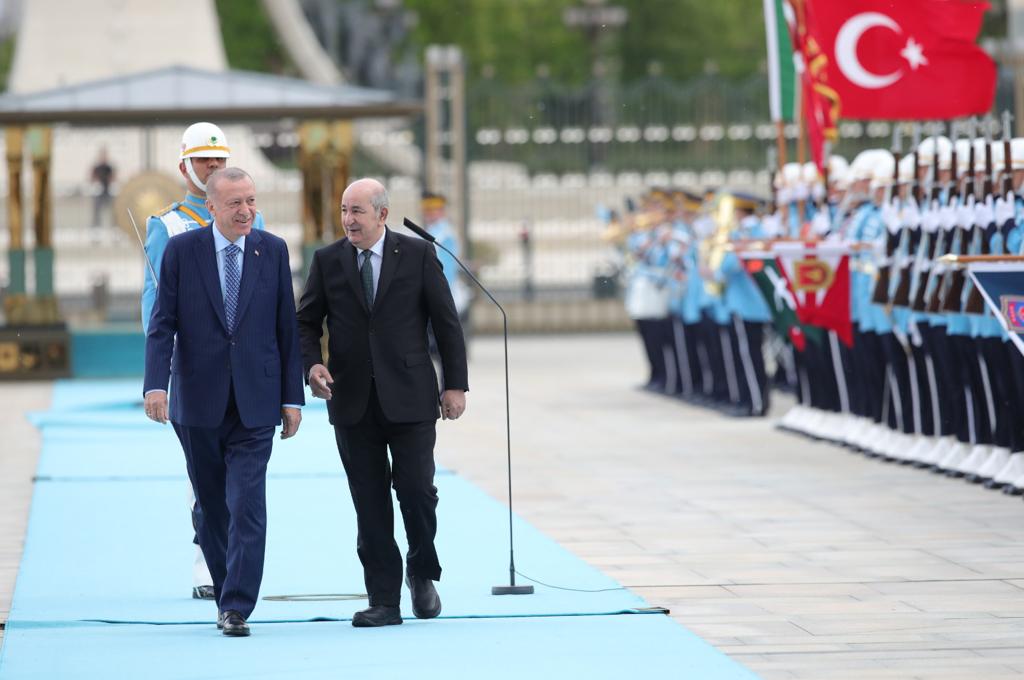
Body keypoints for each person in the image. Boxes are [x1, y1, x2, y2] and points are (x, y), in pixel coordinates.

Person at [297, 178, 468, 628]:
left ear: (382, 214)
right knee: (369, 502)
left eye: (357, 211)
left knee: (417, 491)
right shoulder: (328, 260)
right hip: (351, 401)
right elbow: (305, 322)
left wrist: (455, 385)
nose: (348, 220)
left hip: (411, 397)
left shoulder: (418, 254)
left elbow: (446, 323)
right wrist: (312, 365)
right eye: (344, 210)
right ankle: (384, 600)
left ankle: (421, 571)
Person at [143, 167, 304, 637]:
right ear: (210, 206)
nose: (246, 211)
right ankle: (223, 587)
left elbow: (286, 327)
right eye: (235, 203)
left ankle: (236, 605)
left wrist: (291, 397)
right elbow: (163, 322)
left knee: (247, 503)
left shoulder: (272, 250)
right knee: (211, 508)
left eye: (251, 200)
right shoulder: (181, 251)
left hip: (257, 401)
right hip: (197, 400)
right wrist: (156, 385)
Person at [141, 122, 265, 601]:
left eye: (219, 159)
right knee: (204, 476)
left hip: (244, 367)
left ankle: (234, 570)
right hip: (193, 365)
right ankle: (206, 565)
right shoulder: (167, 225)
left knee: (244, 483)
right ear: (184, 166)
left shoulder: (251, 217)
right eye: (203, 160)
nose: (212, 166)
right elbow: (155, 300)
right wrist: (161, 367)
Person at [90, 148, 115, 230]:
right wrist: (96, 182)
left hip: (108, 192)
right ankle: (96, 227)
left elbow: (113, 177)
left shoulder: (109, 168)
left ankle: (114, 227)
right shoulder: (96, 168)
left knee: (114, 210)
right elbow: (92, 178)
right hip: (99, 193)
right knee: (96, 210)